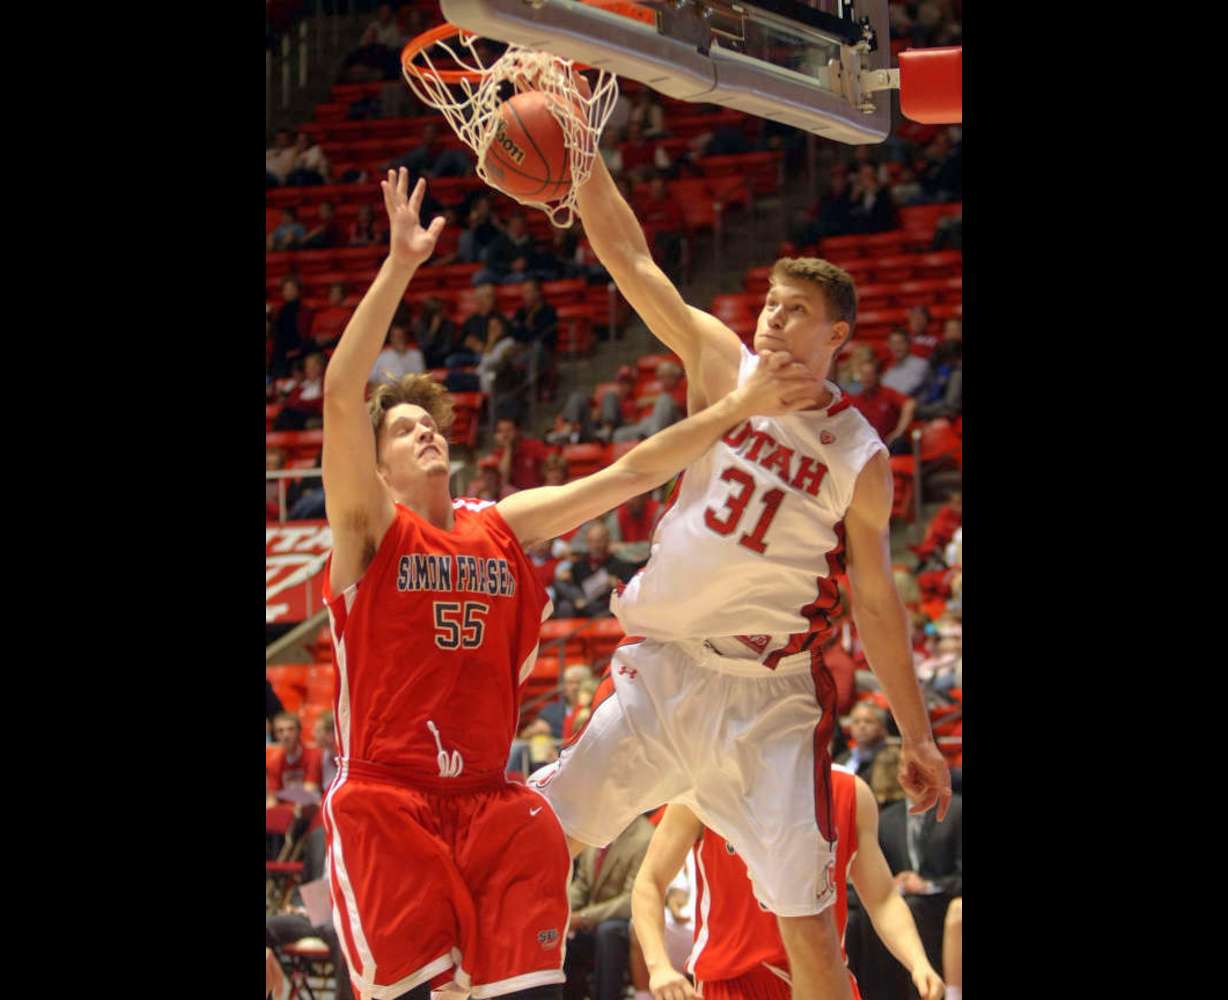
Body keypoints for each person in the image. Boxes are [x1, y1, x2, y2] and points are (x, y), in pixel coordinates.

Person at [317, 168, 827, 1000]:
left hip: (490, 802)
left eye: (431, 425)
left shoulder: (503, 522)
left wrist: (739, 409)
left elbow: (634, 469)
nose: (427, 436)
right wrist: (401, 264)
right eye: (406, 432)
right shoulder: (368, 532)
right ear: (374, 467)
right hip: (389, 799)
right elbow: (343, 395)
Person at [526, 141, 950, 1000]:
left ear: (837, 336)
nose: (772, 319)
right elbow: (634, 258)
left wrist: (918, 735)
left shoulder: (861, 455)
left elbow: (876, 603)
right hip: (666, 670)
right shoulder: (725, 364)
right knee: (534, 837)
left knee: (813, 937)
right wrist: (579, 154)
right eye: (770, 303)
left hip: (770, 702)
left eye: (795, 311)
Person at [630, 767, 944, 1000]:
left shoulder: (849, 792)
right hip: (734, 981)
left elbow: (882, 898)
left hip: (824, 976)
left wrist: (918, 963)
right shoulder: (704, 786)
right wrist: (659, 966)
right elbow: (649, 881)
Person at [845, 789, 962, 1000]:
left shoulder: (957, 810)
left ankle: (932, 989)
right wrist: (892, 882)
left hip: (939, 898)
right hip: (896, 896)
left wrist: (926, 885)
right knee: (856, 915)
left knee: (915, 906)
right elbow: (876, 881)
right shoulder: (888, 819)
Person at [565, 816, 656, 1000]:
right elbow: (582, 884)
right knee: (560, 936)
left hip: (626, 921)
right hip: (592, 919)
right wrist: (561, 910)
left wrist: (583, 917)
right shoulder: (594, 828)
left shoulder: (645, 837)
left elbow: (631, 900)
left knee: (609, 932)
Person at [552, 521, 638, 619]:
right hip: (583, 605)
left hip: (606, 609)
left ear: (607, 541)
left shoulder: (620, 564)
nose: (595, 545)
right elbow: (564, 585)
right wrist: (568, 580)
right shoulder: (580, 564)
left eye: (599, 541)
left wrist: (615, 584)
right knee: (561, 591)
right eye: (591, 541)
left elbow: (631, 591)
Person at [848, 356, 916, 454]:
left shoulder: (887, 393)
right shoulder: (855, 399)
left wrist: (898, 432)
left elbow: (910, 404)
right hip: (866, 448)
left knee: (899, 444)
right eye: (863, 375)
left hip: (889, 446)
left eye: (870, 375)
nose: (866, 378)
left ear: (878, 376)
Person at [835, 701, 891, 783]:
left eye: (868, 721)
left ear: (882, 727)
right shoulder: (841, 759)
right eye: (856, 722)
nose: (862, 726)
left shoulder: (890, 759)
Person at [370, 322, 426, 387]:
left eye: (401, 336)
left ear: (406, 337)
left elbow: (422, 380)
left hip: (410, 393)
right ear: (391, 339)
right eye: (395, 336)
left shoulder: (416, 355)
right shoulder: (381, 357)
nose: (399, 339)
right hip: (388, 393)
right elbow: (371, 381)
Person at [881, 330, 930, 397]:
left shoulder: (920, 364)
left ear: (909, 344)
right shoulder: (891, 369)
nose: (896, 347)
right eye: (893, 343)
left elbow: (906, 391)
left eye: (900, 343)